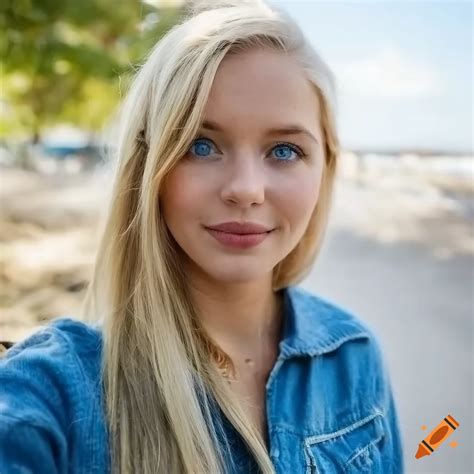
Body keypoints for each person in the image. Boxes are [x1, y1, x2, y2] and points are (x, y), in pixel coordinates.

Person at [0, 1, 404, 473]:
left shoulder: (352, 356)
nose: (245, 190)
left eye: (285, 150)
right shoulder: (58, 391)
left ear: (325, 169)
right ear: (149, 167)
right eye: (201, 145)